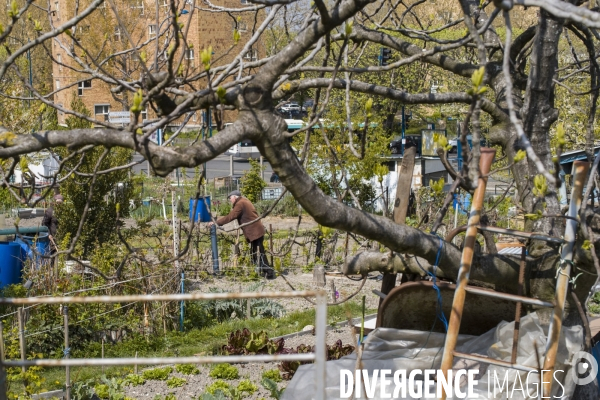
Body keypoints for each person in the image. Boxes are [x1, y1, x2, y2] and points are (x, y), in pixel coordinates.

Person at [208, 191, 275, 279]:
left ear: (235, 197)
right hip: (256, 230)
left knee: (260, 252)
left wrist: (216, 223)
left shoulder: (240, 204)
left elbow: (231, 216)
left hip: (254, 231)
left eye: (230, 198)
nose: (230, 200)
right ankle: (258, 272)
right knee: (256, 252)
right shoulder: (245, 201)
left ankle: (269, 273)